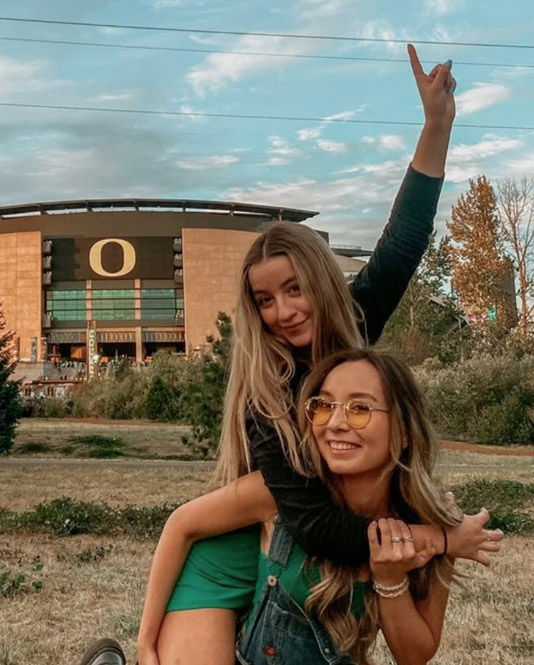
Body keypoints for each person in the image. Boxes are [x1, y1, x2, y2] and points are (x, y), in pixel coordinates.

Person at [79, 46, 502, 665]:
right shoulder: (266, 391)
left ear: (320, 282)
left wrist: (436, 126)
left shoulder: (356, 324)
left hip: (315, 561)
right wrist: (441, 539)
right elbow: (316, 524)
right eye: (265, 299)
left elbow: (405, 240)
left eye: (295, 288)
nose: (284, 311)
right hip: (246, 542)